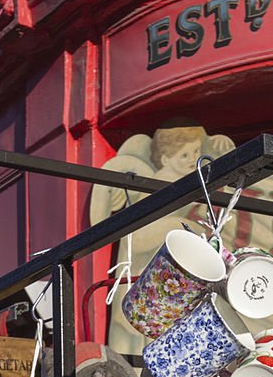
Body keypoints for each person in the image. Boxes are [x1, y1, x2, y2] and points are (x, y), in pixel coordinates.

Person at [89, 121, 236, 355]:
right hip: (142, 271)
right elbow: (138, 237)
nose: (191, 159)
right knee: (139, 336)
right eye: (184, 155)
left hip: (161, 278)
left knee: (153, 333)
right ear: (166, 160)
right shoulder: (159, 183)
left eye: (196, 152)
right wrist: (178, 226)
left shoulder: (187, 184)